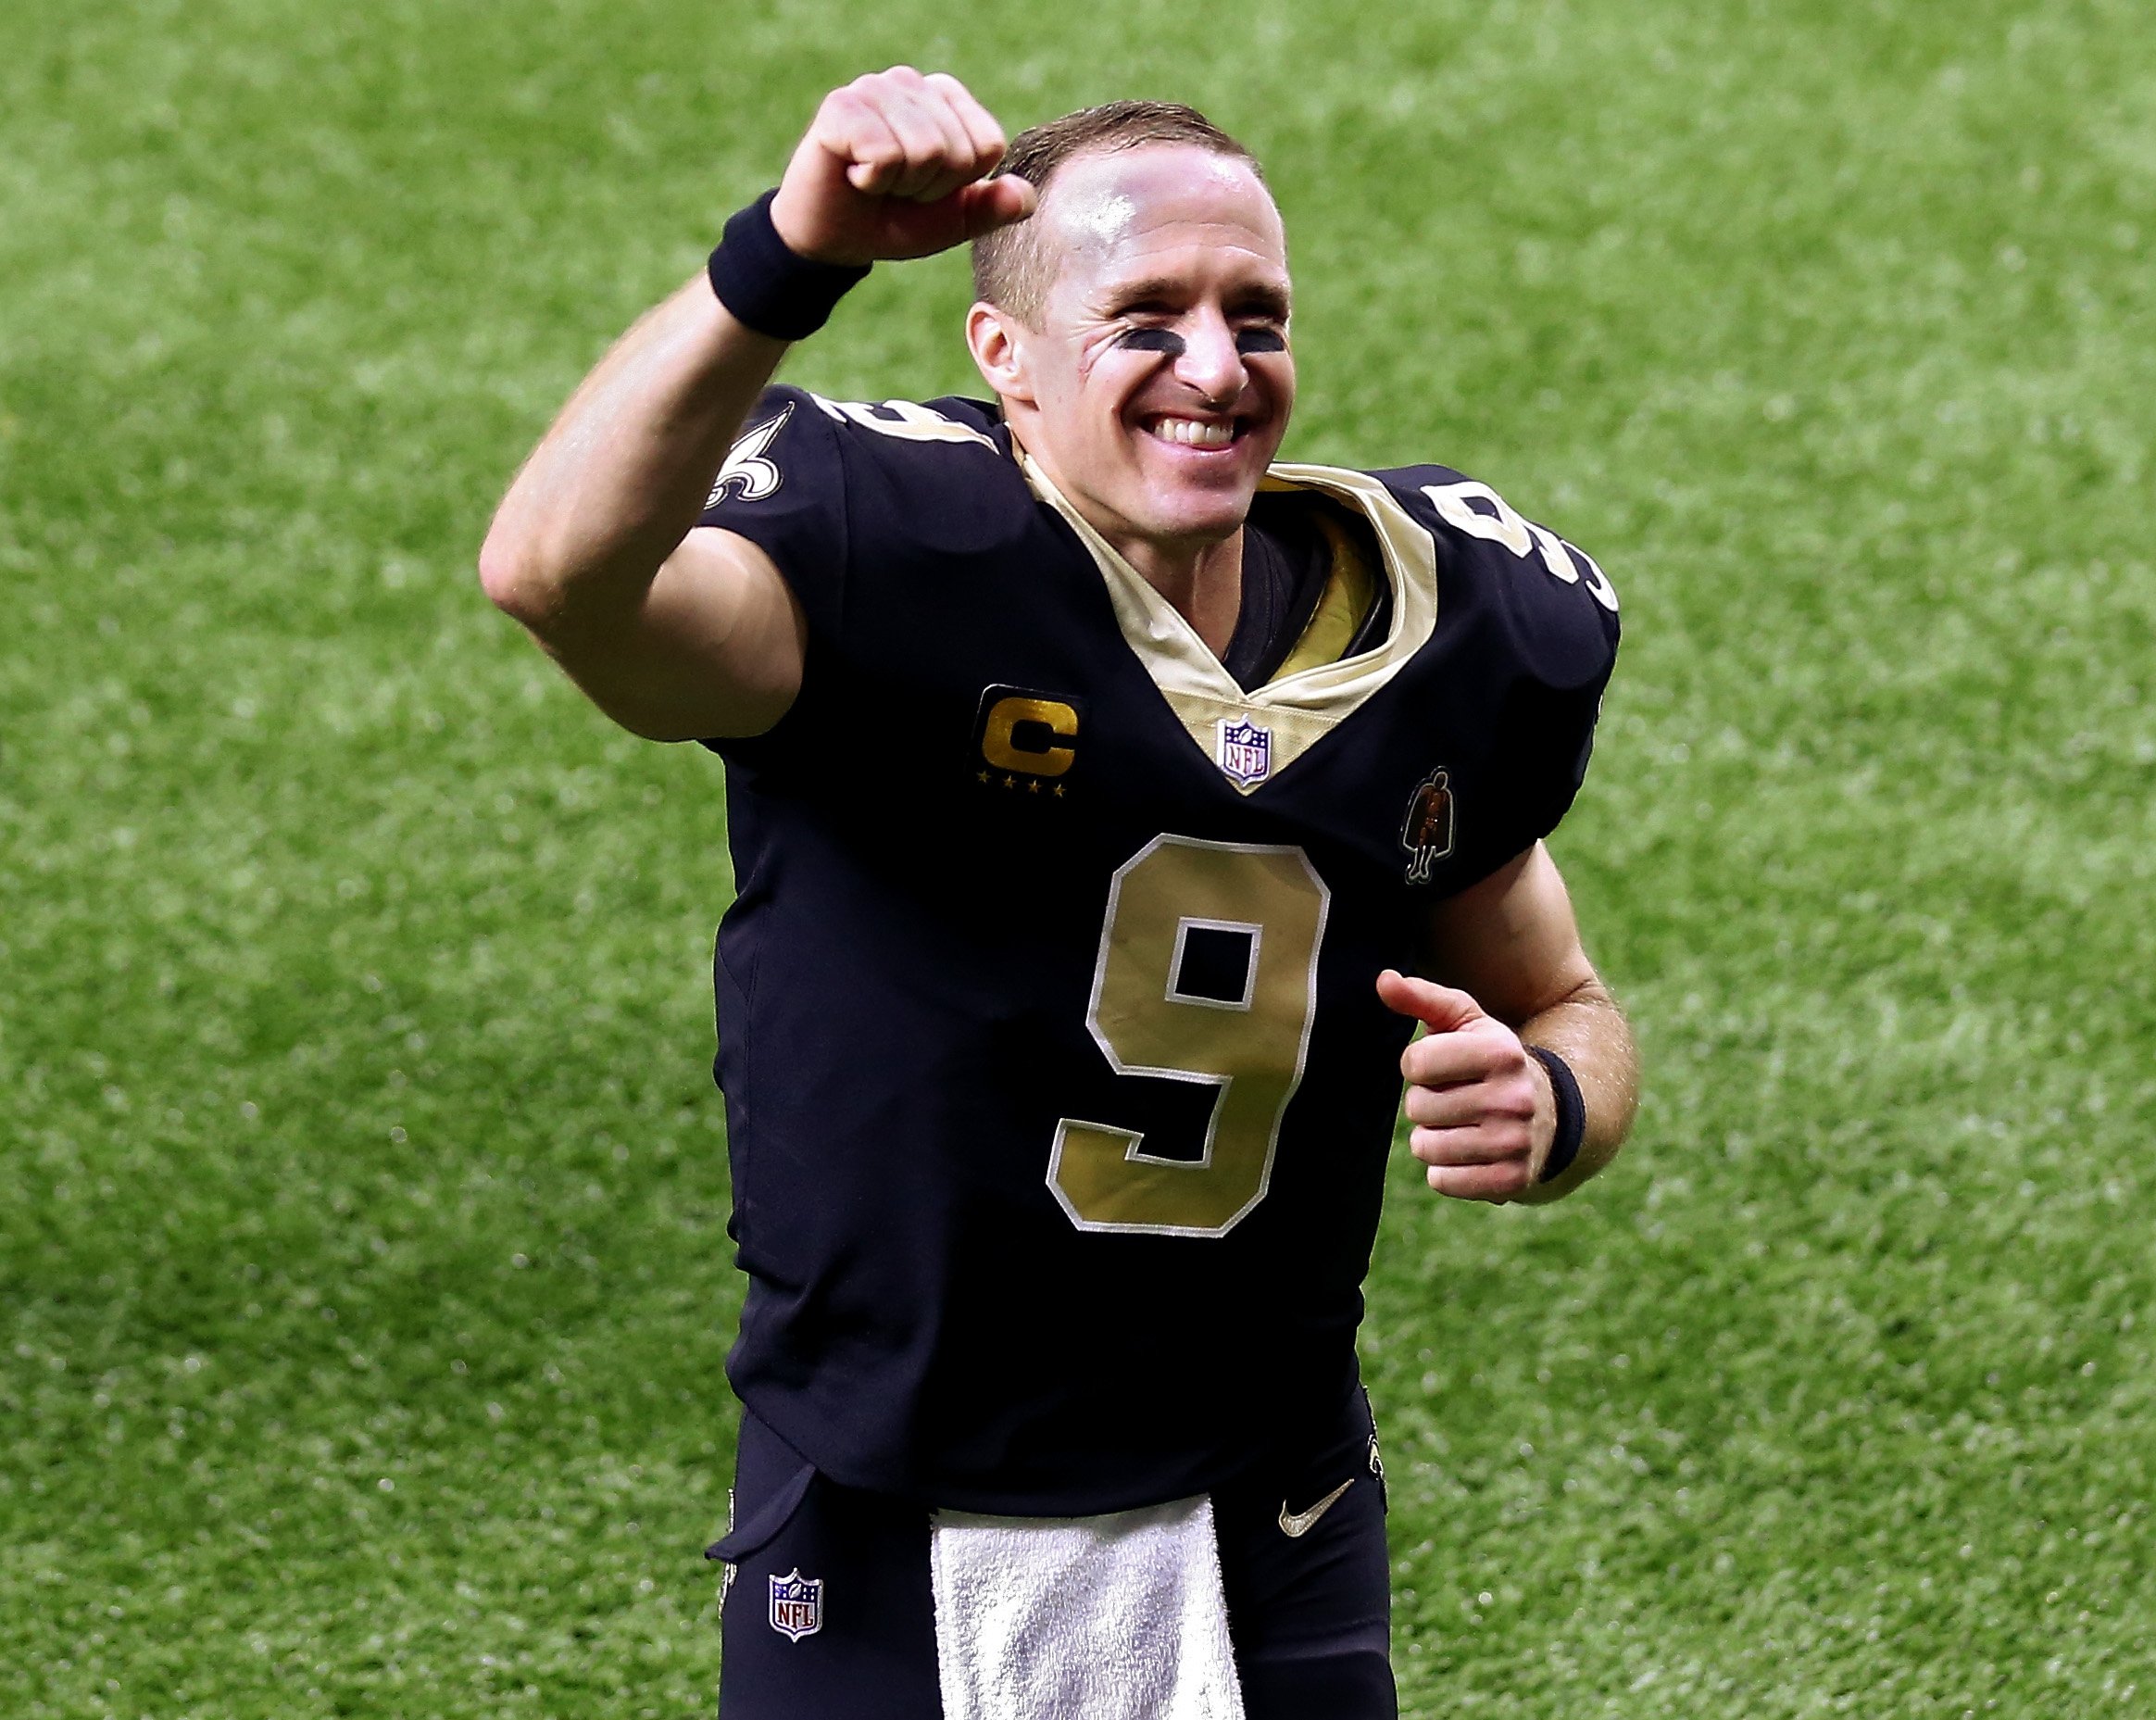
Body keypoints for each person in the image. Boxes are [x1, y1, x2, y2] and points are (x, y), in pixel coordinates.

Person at [478, 65, 1636, 1720]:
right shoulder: (882, 559)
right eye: (1145, 318)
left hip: (1271, 1499)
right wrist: (787, 255)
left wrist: (1549, 1105)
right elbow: (552, 574)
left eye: (1258, 314)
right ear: (1001, 360)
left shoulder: (1446, 629)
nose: (1217, 369)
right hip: (881, 1486)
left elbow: (1568, 1005)